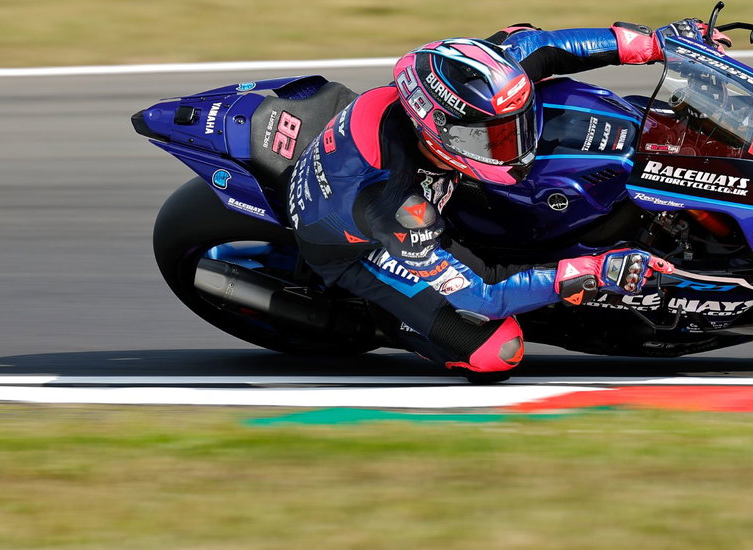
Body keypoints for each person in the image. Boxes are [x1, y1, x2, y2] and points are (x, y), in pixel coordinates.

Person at [286, 19, 728, 378]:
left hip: (399, 182)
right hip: (361, 248)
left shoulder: (478, 81)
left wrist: (657, 43)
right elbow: (485, 292)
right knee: (496, 352)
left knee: (522, 31)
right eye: (490, 137)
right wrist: (594, 271)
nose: (512, 145)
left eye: (513, 128)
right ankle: (391, 319)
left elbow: (544, 47)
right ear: (437, 128)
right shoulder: (398, 205)